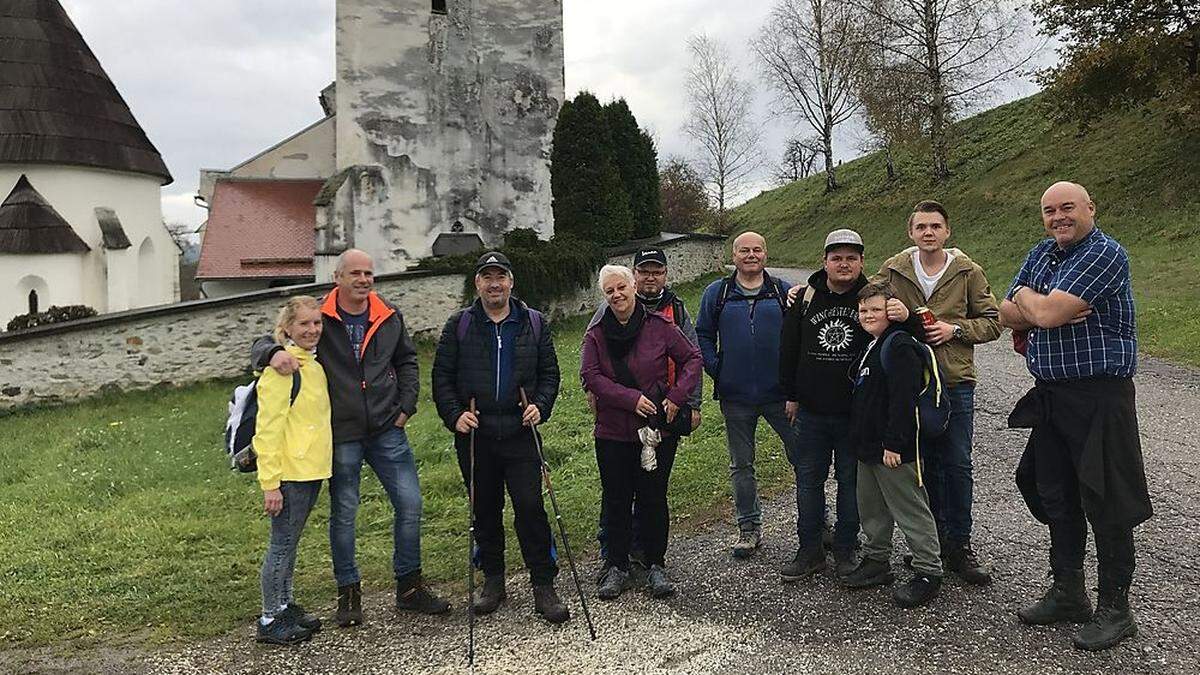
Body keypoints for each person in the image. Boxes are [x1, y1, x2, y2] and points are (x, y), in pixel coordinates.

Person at [251, 249, 449, 628]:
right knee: (345, 513)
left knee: (410, 504)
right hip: (342, 433)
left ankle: (409, 588)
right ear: (338, 277)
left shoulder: (387, 314)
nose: (363, 279)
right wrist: (272, 351)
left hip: (387, 427)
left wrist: (406, 406)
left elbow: (406, 360)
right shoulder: (319, 316)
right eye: (355, 273)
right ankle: (349, 592)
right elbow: (271, 339)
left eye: (369, 273)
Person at [1001, 181, 1151, 651]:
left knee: (1107, 499)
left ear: (1091, 208)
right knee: (1053, 490)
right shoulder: (1042, 253)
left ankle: (1115, 608)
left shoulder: (1106, 253)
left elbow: (1042, 315)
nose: (1058, 217)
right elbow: (1009, 312)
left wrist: (1038, 303)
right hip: (1051, 396)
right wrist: (1036, 301)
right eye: (1049, 210)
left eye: (1068, 207)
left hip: (1099, 396)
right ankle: (1069, 592)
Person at [431, 251, 569, 624]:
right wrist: (453, 414)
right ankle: (493, 579)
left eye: (501, 276)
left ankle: (543, 582)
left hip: (521, 431)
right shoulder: (459, 324)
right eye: (487, 277)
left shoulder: (534, 323)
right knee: (484, 510)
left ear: (511, 282)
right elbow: (442, 377)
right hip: (477, 433)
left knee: (530, 508)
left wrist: (541, 405)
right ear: (477, 283)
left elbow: (550, 374)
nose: (494, 284)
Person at [873, 201, 1002, 585]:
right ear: (910, 233)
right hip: (912, 384)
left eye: (935, 226)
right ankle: (926, 546)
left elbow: (993, 322)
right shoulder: (894, 271)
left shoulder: (968, 272)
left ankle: (959, 545)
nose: (928, 233)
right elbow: (864, 300)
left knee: (958, 464)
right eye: (921, 227)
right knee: (920, 466)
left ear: (947, 232)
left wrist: (955, 330)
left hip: (956, 382)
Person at [779, 229, 903, 580]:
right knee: (808, 480)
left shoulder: (872, 298)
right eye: (837, 257)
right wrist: (789, 394)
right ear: (825, 262)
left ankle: (847, 549)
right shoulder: (805, 298)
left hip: (856, 414)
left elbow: (893, 343)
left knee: (852, 484)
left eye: (851, 257)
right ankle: (810, 549)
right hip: (811, 411)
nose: (844, 263)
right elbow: (788, 349)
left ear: (862, 261)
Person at [581, 265, 702, 600]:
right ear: (603, 296)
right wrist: (631, 399)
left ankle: (655, 564)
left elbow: (693, 359)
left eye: (621, 287)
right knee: (616, 499)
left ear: (633, 286)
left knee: (653, 498)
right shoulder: (596, 333)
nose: (617, 295)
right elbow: (590, 376)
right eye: (610, 291)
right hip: (612, 431)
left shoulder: (660, 327)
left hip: (655, 431)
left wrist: (678, 398)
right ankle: (616, 566)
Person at [842, 282, 943, 608]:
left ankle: (928, 571)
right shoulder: (873, 344)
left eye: (876, 309)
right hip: (867, 445)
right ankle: (876, 561)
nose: (868, 315)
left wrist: (895, 444)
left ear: (892, 312)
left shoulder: (898, 344)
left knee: (909, 507)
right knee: (871, 508)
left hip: (893, 448)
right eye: (864, 310)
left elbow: (904, 399)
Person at [696, 232, 794, 558]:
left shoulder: (782, 292)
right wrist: (717, 369)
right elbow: (703, 335)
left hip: (781, 395)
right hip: (735, 396)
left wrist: (795, 381)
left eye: (756, 250)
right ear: (733, 255)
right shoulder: (718, 293)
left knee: (804, 459)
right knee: (741, 465)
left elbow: (799, 335)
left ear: (766, 254)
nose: (750, 255)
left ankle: (816, 523)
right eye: (743, 250)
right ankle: (748, 528)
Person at [253, 296, 332, 645]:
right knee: (281, 544)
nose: (312, 330)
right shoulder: (281, 369)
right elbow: (267, 429)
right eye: (304, 324)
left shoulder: (312, 365)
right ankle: (270, 618)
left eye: (317, 323)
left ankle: (284, 606)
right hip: (289, 474)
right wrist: (270, 483)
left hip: (311, 469)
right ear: (287, 329)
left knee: (291, 542)